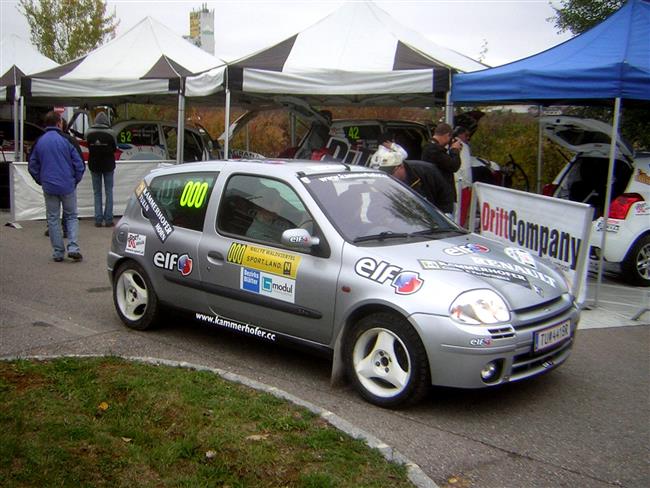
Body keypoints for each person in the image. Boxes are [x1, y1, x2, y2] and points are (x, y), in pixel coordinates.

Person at [28, 110, 85, 262]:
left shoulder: (39, 141)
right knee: (71, 216)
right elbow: (79, 164)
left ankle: (58, 251)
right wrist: (74, 181)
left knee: (53, 218)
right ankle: (73, 247)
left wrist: (41, 180)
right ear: (59, 123)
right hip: (67, 184)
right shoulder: (68, 140)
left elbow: (32, 165)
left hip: (49, 185)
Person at [376, 157, 455, 216]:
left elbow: (445, 194)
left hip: (433, 216)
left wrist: (444, 216)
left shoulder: (427, 171)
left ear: (401, 166)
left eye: (391, 173)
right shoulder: (385, 179)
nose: (390, 176)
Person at [421, 123, 462, 214]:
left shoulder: (429, 147)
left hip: (435, 194)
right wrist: (455, 150)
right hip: (441, 198)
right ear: (447, 135)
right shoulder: (434, 150)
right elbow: (453, 166)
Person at [87, 112, 117, 227]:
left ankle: (98, 219)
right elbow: (114, 148)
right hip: (108, 164)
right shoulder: (111, 133)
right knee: (109, 192)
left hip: (94, 164)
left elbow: (89, 146)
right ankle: (109, 219)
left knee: (97, 192)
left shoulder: (89, 133)